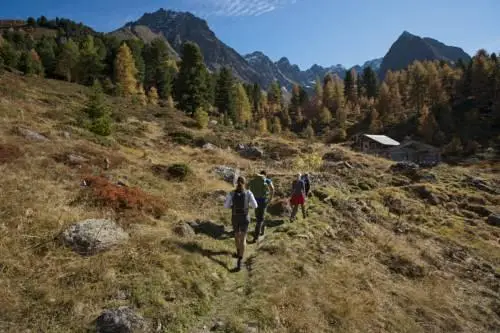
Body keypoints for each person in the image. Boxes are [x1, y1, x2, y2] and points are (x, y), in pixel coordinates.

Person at [224, 176, 258, 271]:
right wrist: (248, 205)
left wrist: (232, 205)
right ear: (245, 183)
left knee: (236, 235)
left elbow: (226, 206)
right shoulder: (248, 193)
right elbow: (255, 205)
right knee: (243, 238)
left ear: (236, 183)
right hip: (245, 217)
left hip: (235, 217)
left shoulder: (231, 193)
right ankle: (240, 260)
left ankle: (238, 251)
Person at [248, 170, 274, 243]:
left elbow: (247, 188)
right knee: (260, 218)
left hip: (254, 200)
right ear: (265, 175)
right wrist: (270, 198)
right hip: (263, 201)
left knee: (259, 217)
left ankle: (262, 231)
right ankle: (256, 237)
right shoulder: (267, 180)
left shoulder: (253, 181)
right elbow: (272, 189)